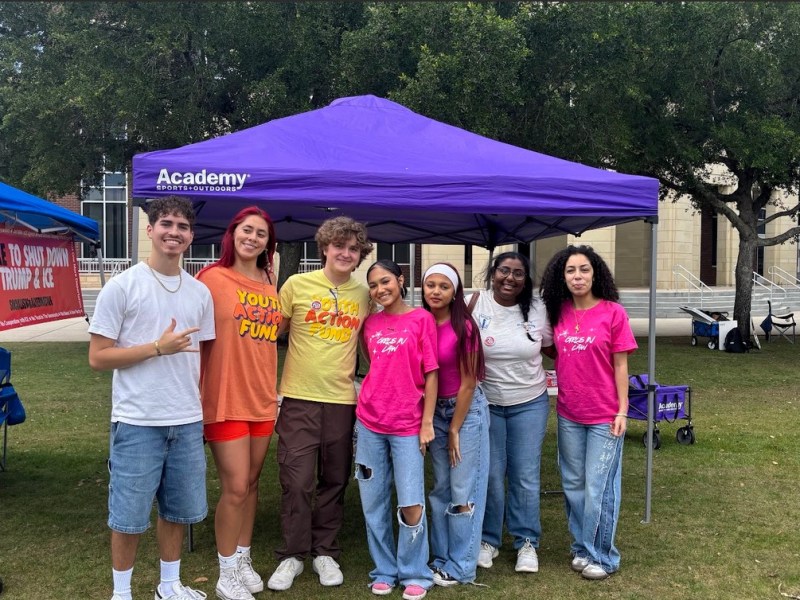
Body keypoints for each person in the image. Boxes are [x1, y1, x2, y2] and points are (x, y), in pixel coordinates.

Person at [88, 196, 216, 600]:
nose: (173, 232)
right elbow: (98, 357)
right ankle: (121, 593)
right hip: (137, 420)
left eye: (182, 226)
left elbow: (204, 360)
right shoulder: (122, 286)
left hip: (186, 418)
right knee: (128, 516)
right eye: (166, 224)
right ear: (149, 230)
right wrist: (156, 348)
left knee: (177, 511)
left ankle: (169, 585)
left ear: (191, 236)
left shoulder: (199, 293)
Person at [267, 216, 373, 592]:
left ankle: (325, 551)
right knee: (296, 481)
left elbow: (373, 342)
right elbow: (268, 335)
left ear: (360, 255)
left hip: (343, 400)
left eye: (353, 248)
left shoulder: (364, 294)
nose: (345, 253)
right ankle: (293, 555)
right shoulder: (296, 285)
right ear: (325, 247)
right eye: (339, 245)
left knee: (334, 479)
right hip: (298, 397)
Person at [196, 207, 281, 600]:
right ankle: (225, 570)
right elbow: (193, 340)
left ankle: (243, 557)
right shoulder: (211, 279)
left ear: (268, 242)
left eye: (261, 234)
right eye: (247, 230)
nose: (253, 238)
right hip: (224, 396)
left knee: (250, 484)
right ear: (233, 233)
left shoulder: (268, 280)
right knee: (233, 487)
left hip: (262, 397)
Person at [539, 244, 637, 580]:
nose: (577, 276)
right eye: (570, 270)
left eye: (584, 270)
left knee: (600, 487)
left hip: (606, 415)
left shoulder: (613, 312)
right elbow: (551, 349)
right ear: (561, 277)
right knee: (573, 485)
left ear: (595, 274)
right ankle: (582, 547)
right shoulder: (559, 312)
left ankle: (605, 556)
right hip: (569, 412)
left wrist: (623, 411)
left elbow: (621, 365)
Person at [355, 259, 438, 600]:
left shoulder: (422, 319)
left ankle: (415, 571)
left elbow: (431, 373)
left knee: (410, 502)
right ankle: (384, 570)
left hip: (408, 425)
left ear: (401, 280)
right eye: (373, 285)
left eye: (385, 281)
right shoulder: (370, 324)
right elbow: (372, 365)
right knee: (373, 502)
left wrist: (427, 422)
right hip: (370, 422)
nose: (379, 290)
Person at [467, 251, 554, 574]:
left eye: (518, 273)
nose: (510, 278)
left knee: (525, 476)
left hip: (529, 402)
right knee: (490, 474)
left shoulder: (537, 309)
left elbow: (550, 346)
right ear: (493, 273)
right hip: (485, 403)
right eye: (504, 271)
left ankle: (526, 542)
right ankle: (488, 539)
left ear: (525, 279)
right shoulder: (475, 303)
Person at [421, 263, 489, 586]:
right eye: (430, 285)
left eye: (443, 286)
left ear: (454, 292)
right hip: (433, 412)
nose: (436, 291)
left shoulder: (465, 328)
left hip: (464, 412)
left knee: (463, 489)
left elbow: (468, 383)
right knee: (440, 489)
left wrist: (454, 430)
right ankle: (440, 558)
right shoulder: (419, 324)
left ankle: (462, 565)